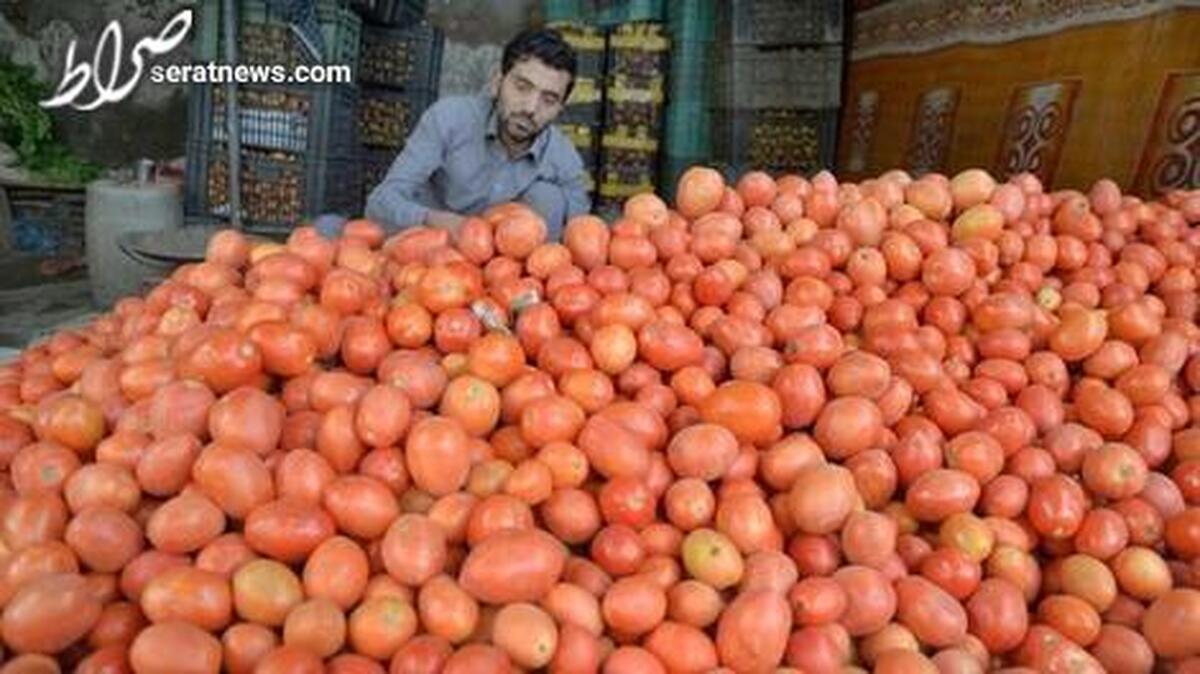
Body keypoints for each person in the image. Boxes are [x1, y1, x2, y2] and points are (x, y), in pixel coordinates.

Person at [361, 28, 591, 240]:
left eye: (548, 99)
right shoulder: (449, 119)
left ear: (561, 108)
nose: (531, 108)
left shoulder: (564, 159)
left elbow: (581, 238)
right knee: (331, 226)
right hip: (430, 255)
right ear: (497, 81)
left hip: (505, 271)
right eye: (522, 87)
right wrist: (434, 221)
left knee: (548, 198)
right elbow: (380, 203)